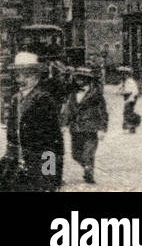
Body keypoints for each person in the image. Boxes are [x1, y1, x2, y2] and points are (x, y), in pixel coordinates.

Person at [2, 52, 64, 192]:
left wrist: (50, 177)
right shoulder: (16, 98)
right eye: (18, 76)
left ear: (37, 76)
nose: (21, 80)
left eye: (27, 76)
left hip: (37, 162)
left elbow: (52, 141)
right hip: (16, 161)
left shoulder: (43, 99)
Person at [63, 74, 110, 185]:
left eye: (81, 78)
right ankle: (87, 167)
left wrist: (102, 129)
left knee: (88, 153)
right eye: (77, 79)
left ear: (87, 80)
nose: (78, 81)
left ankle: (89, 172)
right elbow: (68, 110)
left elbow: (103, 112)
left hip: (91, 128)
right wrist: (64, 124)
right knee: (75, 155)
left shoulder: (96, 94)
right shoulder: (73, 94)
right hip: (76, 128)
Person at [120, 68, 141, 134]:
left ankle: (131, 127)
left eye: (124, 74)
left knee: (128, 112)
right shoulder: (126, 81)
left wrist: (123, 92)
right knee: (128, 112)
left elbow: (129, 91)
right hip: (130, 98)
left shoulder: (129, 81)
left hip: (131, 98)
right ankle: (131, 127)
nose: (122, 75)